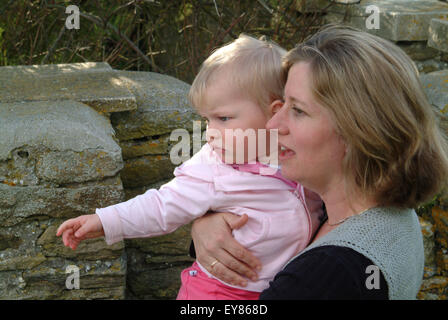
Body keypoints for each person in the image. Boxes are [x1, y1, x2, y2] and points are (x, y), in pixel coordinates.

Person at [56, 34, 324, 300]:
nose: (210, 133)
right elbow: (162, 205)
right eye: (207, 120)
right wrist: (105, 220)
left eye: (223, 118)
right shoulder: (213, 167)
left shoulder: (301, 155)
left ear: (274, 111)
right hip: (219, 293)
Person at [190, 25, 448, 299]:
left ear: (357, 132)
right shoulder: (373, 213)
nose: (273, 124)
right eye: (281, 104)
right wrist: (205, 225)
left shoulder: (328, 274)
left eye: (298, 111)